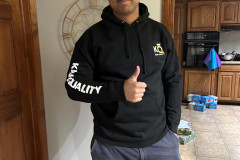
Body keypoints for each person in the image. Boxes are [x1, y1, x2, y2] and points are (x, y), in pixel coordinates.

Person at [65, 0, 183, 159]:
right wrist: (118, 90)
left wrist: (173, 129)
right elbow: (73, 86)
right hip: (111, 147)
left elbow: (173, 79)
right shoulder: (91, 38)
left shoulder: (160, 32)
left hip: (161, 142)